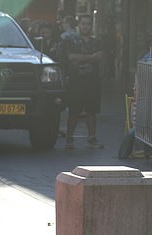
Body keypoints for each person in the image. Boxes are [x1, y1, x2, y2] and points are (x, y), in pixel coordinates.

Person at [63, 15, 104, 149]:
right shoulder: (71, 41)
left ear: (91, 26)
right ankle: (69, 137)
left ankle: (92, 138)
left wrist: (81, 58)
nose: (85, 26)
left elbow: (100, 57)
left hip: (92, 81)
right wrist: (91, 57)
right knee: (74, 110)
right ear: (78, 25)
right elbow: (71, 57)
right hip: (76, 81)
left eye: (88, 24)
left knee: (91, 110)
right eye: (83, 23)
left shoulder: (96, 42)